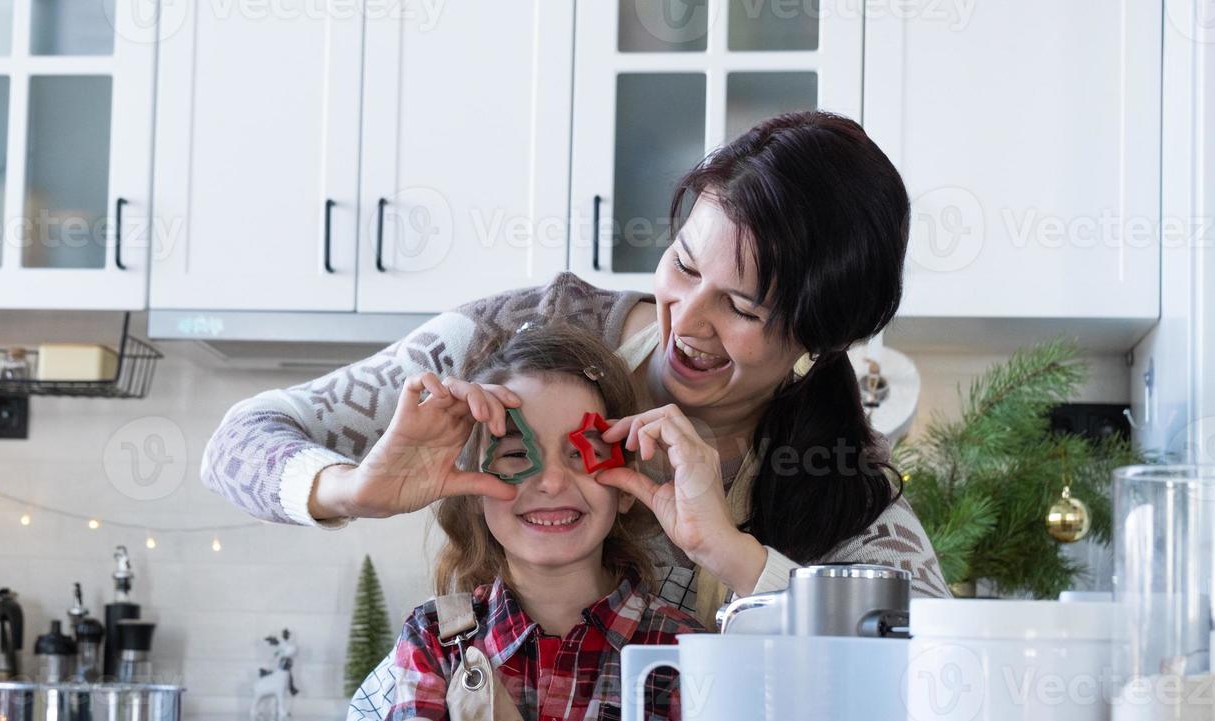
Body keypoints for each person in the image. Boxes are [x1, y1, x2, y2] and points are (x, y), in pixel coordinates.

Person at [202, 111, 950, 622]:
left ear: (817, 340)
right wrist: (352, 490)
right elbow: (238, 440)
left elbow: (932, 662)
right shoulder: (522, 332)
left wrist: (734, 554)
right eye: (684, 266)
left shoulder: (841, 482)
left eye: (744, 309)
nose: (687, 321)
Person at [360, 324, 705, 721]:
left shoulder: (685, 653)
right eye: (518, 454)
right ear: (473, 492)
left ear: (625, 485)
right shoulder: (432, 637)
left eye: (584, 455)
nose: (550, 482)